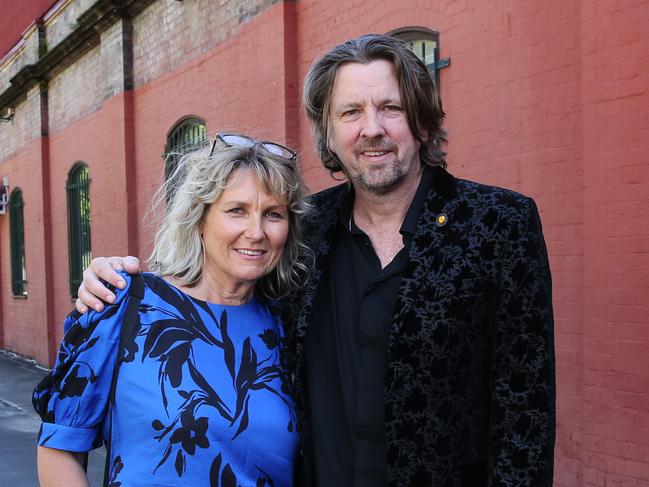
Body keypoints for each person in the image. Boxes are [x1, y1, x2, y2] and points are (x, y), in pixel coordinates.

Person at [74, 34, 556, 486]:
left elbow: (524, 413)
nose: (372, 129)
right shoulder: (304, 228)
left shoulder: (499, 224)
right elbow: (221, 285)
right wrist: (111, 278)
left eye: (390, 107)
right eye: (350, 112)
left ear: (423, 120)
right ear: (329, 132)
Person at [33, 133, 310, 486]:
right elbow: (60, 447)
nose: (255, 232)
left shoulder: (288, 326)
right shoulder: (124, 306)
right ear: (200, 218)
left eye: (273, 214)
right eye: (236, 210)